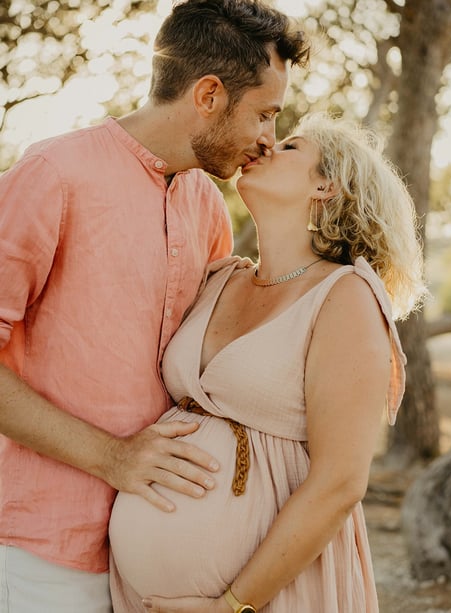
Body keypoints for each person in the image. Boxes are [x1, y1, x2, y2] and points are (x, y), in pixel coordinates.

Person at [0, 1, 310, 610]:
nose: (269, 140)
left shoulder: (207, 207)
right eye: (266, 115)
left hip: (152, 559)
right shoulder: (53, 173)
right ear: (209, 94)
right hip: (42, 554)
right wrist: (113, 458)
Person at [108, 111, 426, 613]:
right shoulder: (219, 278)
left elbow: (340, 482)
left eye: (292, 147)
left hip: (268, 597)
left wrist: (233, 606)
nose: (266, 147)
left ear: (327, 187)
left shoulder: (345, 296)